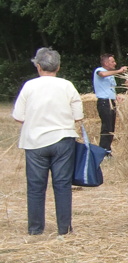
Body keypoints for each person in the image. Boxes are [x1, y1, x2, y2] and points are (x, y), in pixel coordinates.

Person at [12, 47, 84, 237]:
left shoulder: (29, 86)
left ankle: (36, 230)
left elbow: (18, 116)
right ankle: (64, 230)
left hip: (35, 142)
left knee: (35, 187)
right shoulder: (67, 85)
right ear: (58, 67)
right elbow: (78, 116)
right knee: (62, 185)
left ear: (38, 66)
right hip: (63, 140)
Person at [92, 53, 127, 153]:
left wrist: (116, 97)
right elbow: (102, 75)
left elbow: (108, 89)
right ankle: (103, 150)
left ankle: (107, 149)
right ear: (106, 63)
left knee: (111, 127)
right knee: (106, 127)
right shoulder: (99, 70)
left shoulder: (110, 75)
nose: (115, 63)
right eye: (112, 61)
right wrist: (119, 71)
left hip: (111, 102)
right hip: (104, 102)